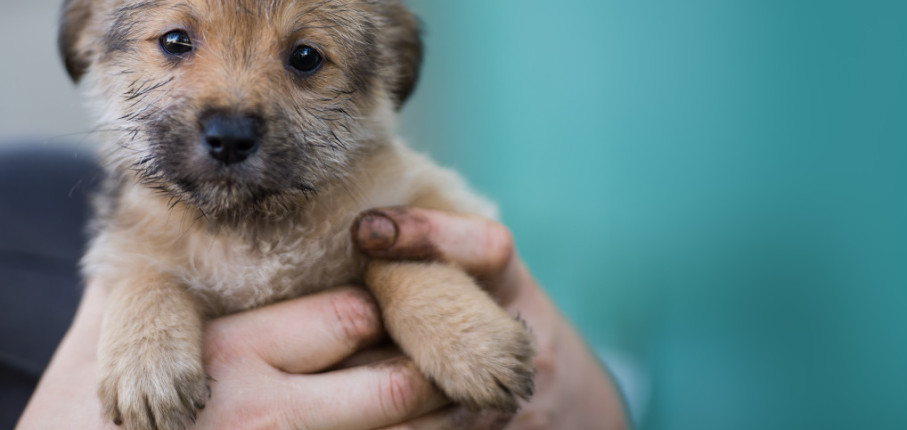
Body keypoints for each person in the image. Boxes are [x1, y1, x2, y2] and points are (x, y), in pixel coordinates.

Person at [7, 149, 628, 429]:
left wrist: (591, 402)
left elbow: (550, 375)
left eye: (303, 59)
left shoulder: (36, 197)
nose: (233, 102)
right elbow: (141, 261)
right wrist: (148, 295)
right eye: (177, 43)